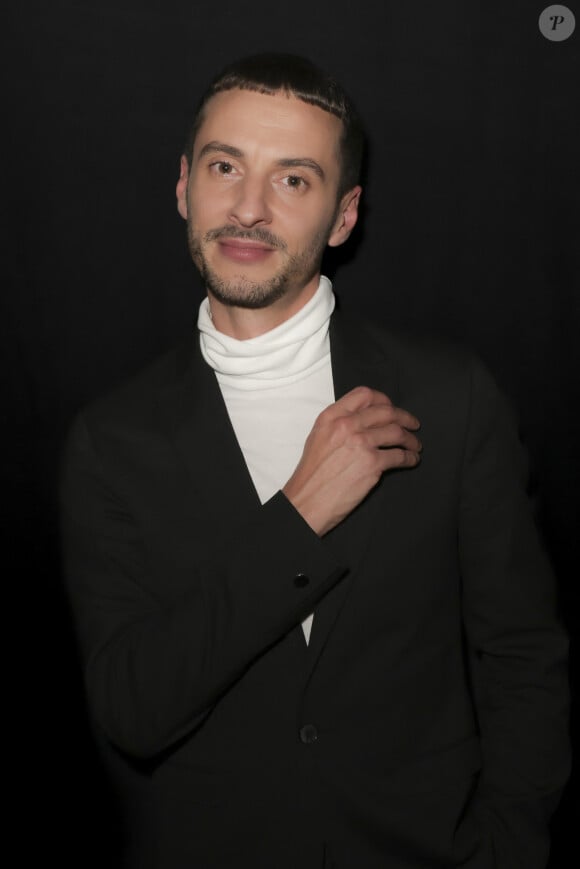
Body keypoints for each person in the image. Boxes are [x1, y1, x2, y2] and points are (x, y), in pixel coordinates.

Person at [60, 53, 570, 869]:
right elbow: (133, 709)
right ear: (185, 185)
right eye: (226, 167)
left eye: (293, 180)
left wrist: (509, 844)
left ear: (343, 215)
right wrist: (300, 515)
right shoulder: (110, 440)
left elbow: (522, 655)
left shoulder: (451, 396)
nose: (249, 208)